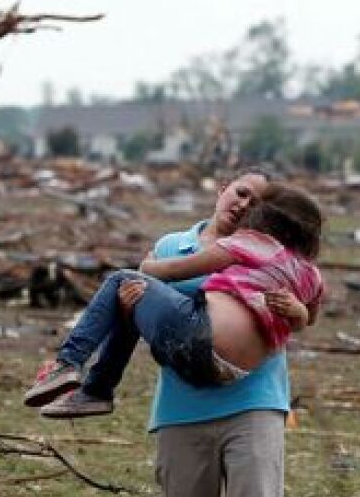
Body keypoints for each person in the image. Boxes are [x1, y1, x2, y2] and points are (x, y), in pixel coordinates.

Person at [24, 182, 324, 434]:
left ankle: (69, 364)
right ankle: (94, 392)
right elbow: (308, 318)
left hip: (200, 341)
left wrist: (146, 265)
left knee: (122, 281)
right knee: (134, 296)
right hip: (233, 372)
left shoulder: (249, 242)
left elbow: (171, 271)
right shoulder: (311, 274)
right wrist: (297, 311)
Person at [120, 169, 300, 497]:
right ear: (222, 190)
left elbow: (302, 312)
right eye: (241, 193)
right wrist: (130, 307)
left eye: (256, 203)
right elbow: (155, 326)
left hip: (254, 403)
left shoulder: (275, 255)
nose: (244, 204)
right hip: (182, 407)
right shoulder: (171, 246)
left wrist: (294, 309)